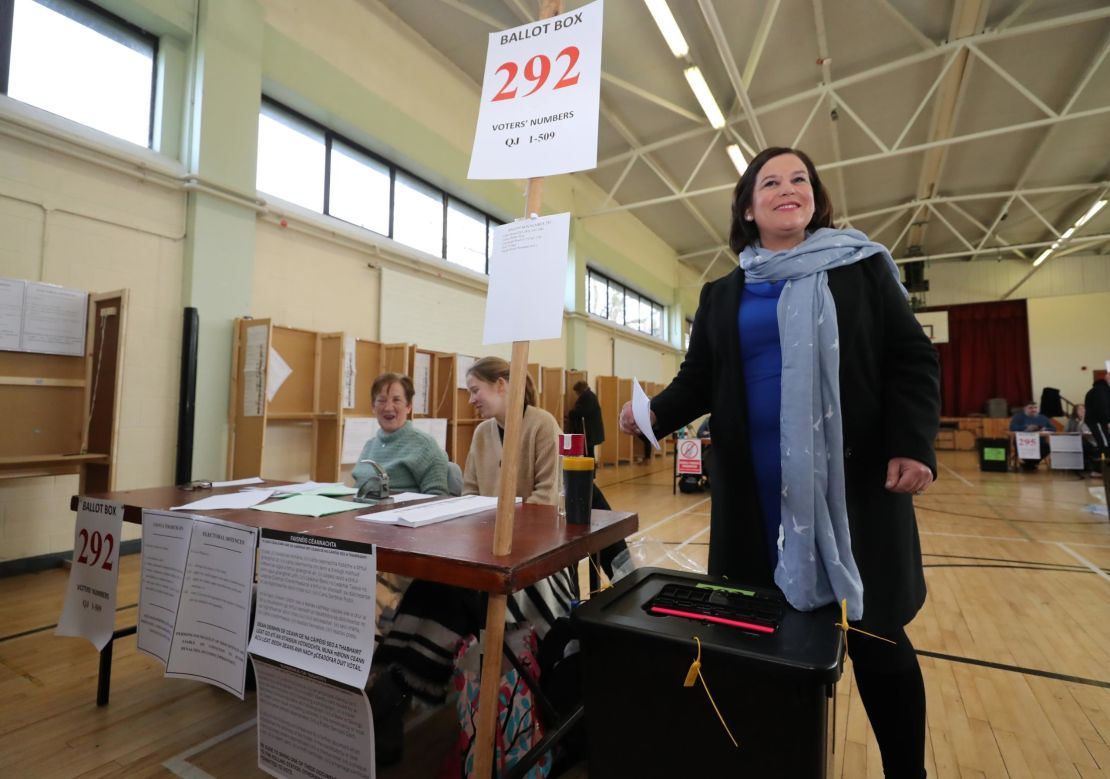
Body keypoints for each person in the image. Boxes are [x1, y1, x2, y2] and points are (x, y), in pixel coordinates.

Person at [619, 147, 938, 779]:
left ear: (816, 198)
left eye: (800, 179)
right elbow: (700, 379)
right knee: (760, 642)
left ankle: (909, 773)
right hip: (756, 501)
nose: (787, 188)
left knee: (879, 642)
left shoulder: (862, 269)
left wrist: (912, 441)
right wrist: (652, 414)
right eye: (770, 181)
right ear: (747, 206)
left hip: (854, 493)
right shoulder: (722, 293)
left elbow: (911, 360)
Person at [369, 357, 575, 765]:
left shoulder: (542, 424)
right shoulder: (482, 434)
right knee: (436, 585)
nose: (471, 399)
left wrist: (490, 523)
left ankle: (401, 683)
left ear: (501, 385)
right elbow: (470, 497)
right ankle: (395, 679)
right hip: (485, 552)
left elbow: (546, 503)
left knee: (455, 593)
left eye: (475, 390)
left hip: (536, 564)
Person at [352, 372, 450, 497]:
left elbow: (438, 497)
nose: (388, 407)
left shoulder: (425, 445)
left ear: (408, 406)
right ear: (373, 406)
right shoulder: (369, 445)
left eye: (396, 400)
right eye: (381, 401)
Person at [1009, 400, 1053, 470]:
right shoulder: (1018, 417)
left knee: (1048, 447)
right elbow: (1012, 428)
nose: (1033, 410)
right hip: (1023, 442)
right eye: (1030, 408)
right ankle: (1030, 465)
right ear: (1025, 409)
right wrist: (1026, 428)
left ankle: (1028, 464)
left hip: (1039, 442)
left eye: (1035, 408)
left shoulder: (1044, 418)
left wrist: (1044, 429)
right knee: (1028, 448)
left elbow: (1053, 429)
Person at [567, 379, 605, 459]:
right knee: (589, 453)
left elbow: (582, 411)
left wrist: (571, 413)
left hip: (589, 431)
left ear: (580, 390)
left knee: (588, 453)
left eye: (577, 392)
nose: (577, 394)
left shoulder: (587, 396)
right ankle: (589, 470)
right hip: (591, 431)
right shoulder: (590, 395)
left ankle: (589, 471)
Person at [1066, 404, 1101, 475]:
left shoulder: (1090, 419)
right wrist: (1080, 422)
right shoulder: (1072, 420)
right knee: (1087, 445)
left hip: (1089, 439)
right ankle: (1092, 468)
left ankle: (1095, 467)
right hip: (1074, 441)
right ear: (1075, 412)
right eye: (1080, 409)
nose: (1082, 410)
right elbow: (1068, 431)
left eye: (1083, 409)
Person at [1084, 374, 1110, 462]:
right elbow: (1102, 408)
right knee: (1104, 444)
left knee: (1103, 443)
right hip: (1097, 422)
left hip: (1096, 421)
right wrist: (1108, 421)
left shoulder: (1096, 390)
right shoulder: (1101, 391)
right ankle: (1101, 469)